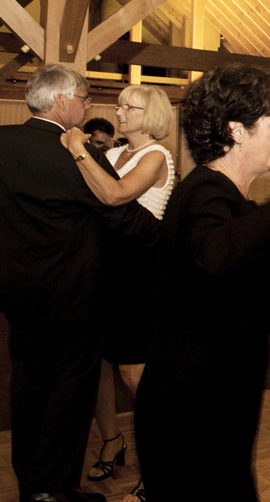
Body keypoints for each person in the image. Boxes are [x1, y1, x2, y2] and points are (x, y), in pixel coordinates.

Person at [133, 65, 270, 501]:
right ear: (237, 131)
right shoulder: (207, 189)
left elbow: (245, 244)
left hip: (212, 394)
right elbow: (216, 253)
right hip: (194, 403)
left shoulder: (225, 195)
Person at [0, 64, 158, 502]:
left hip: (17, 291)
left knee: (27, 385)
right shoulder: (76, 154)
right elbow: (122, 215)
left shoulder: (3, 143)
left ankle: (30, 484)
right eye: (84, 98)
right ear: (61, 100)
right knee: (70, 393)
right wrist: (170, 240)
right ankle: (55, 490)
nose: (88, 107)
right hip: (74, 293)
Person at [61, 86, 176, 502]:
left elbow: (113, 195)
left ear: (153, 114)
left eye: (131, 107)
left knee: (134, 373)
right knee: (97, 364)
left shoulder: (156, 155)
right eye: (120, 105)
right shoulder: (113, 153)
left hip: (138, 272)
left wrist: (77, 147)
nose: (120, 111)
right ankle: (112, 441)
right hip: (103, 268)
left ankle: (158, 468)